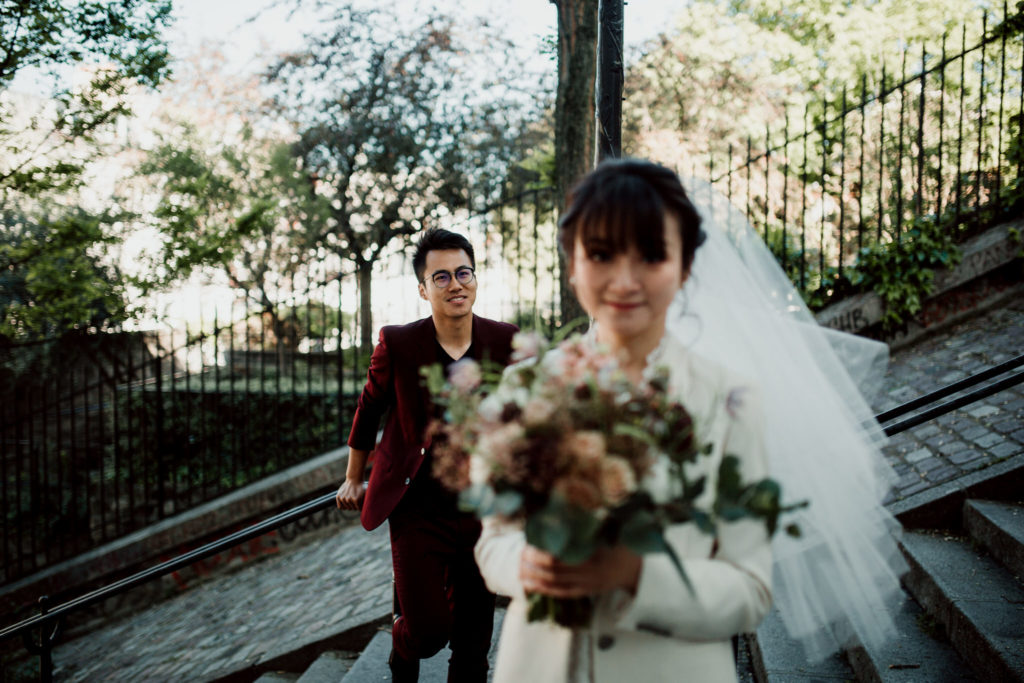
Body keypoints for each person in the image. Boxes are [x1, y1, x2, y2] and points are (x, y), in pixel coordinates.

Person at [474, 159, 905, 682]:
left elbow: (749, 590)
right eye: (602, 254)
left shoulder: (731, 401)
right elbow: (493, 542)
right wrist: (524, 564)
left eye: (651, 255)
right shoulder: (525, 389)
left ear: (684, 267)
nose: (625, 280)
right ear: (573, 264)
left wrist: (637, 577)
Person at [336, 227, 518, 683]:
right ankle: (404, 643)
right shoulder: (398, 343)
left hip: (481, 507)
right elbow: (369, 408)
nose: (456, 284)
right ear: (423, 289)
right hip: (416, 507)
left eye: (463, 272)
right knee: (430, 631)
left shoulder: (505, 341)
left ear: (475, 279)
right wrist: (354, 477)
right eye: (441, 277)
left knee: (474, 646)